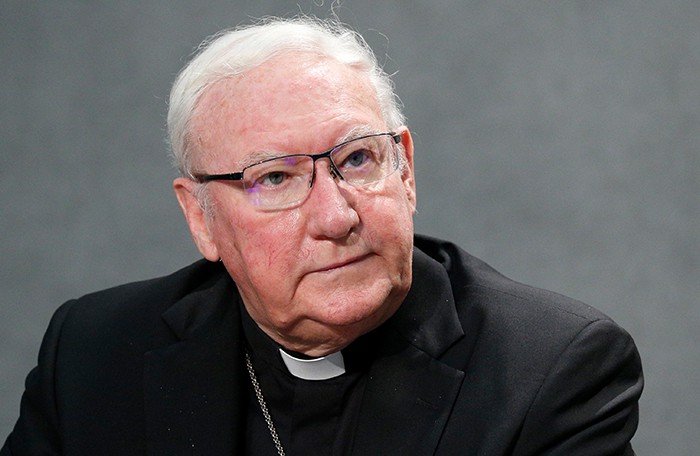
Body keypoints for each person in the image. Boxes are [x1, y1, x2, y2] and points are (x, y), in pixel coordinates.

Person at [2, 16, 643, 456]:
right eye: (275, 177)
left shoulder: (552, 370)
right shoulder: (92, 354)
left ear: (407, 171)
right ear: (201, 219)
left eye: (358, 159)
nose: (336, 217)